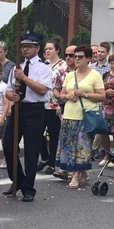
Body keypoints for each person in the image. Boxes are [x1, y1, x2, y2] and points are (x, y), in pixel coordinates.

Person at [2, 33, 53, 201]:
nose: (25, 49)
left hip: (35, 110)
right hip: (18, 108)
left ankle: (29, 188)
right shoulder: (17, 67)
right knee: (8, 145)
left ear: (37, 48)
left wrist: (24, 77)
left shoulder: (44, 67)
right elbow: (8, 89)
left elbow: (42, 90)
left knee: (31, 150)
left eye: (29, 46)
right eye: (23, 46)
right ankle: (17, 180)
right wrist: (11, 96)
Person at [54, 45, 105, 188]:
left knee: (81, 146)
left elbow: (102, 96)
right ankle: (81, 172)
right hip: (69, 115)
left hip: (85, 115)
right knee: (69, 146)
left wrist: (85, 94)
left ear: (88, 58)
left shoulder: (95, 75)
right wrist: (67, 96)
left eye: (80, 57)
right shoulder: (70, 75)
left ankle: (75, 176)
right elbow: (61, 95)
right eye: (75, 56)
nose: (76, 59)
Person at [38, 38, 67, 174]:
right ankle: (45, 157)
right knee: (37, 133)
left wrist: (62, 101)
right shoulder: (42, 64)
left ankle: (52, 163)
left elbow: (64, 85)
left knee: (54, 134)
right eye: (46, 49)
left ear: (57, 50)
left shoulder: (63, 66)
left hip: (54, 105)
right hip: (40, 104)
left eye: (50, 48)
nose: (47, 51)